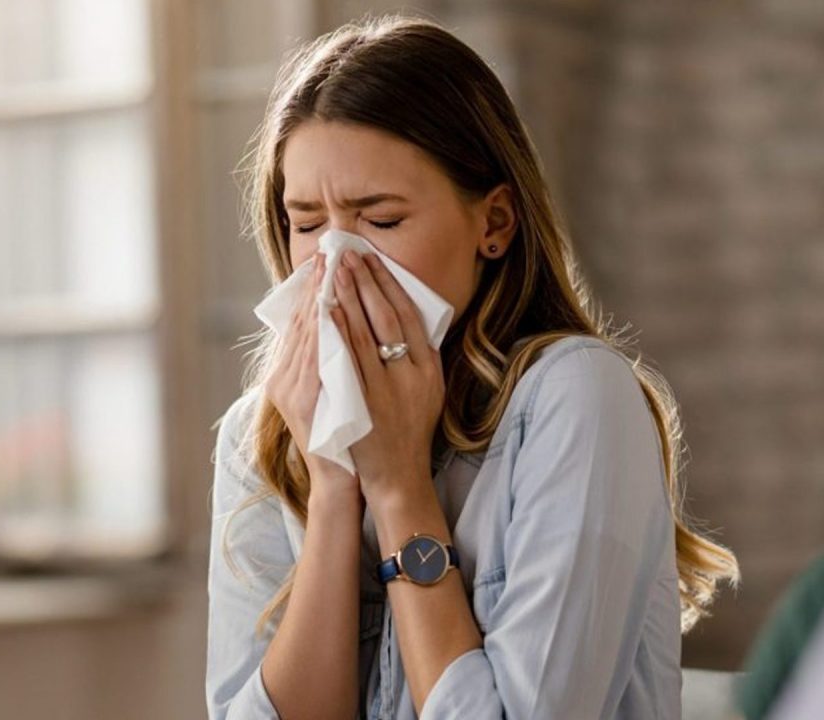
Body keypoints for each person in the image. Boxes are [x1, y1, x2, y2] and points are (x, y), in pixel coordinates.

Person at [204, 15, 740, 720]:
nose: (336, 264)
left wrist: (398, 488)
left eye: (381, 220)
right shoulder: (263, 435)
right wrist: (335, 480)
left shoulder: (574, 399)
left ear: (494, 224)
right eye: (307, 223)